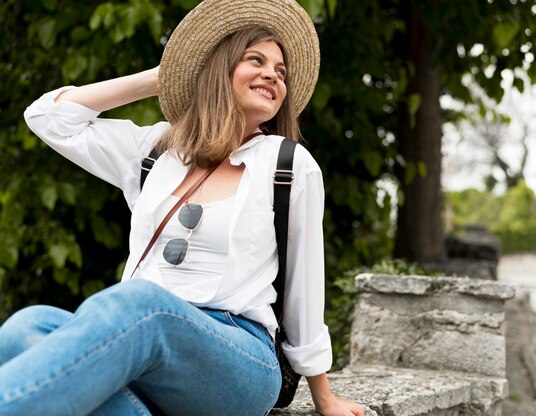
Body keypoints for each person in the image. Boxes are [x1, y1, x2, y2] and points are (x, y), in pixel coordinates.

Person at [0, 0, 365, 415]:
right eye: (255, 60)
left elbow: (306, 281)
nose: (272, 75)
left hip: (237, 356)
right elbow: (49, 116)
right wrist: (165, 77)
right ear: (219, 70)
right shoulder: (155, 152)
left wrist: (324, 397)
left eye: (280, 72)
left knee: (138, 302)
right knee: (26, 328)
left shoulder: (288, 164)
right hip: (142, 342)